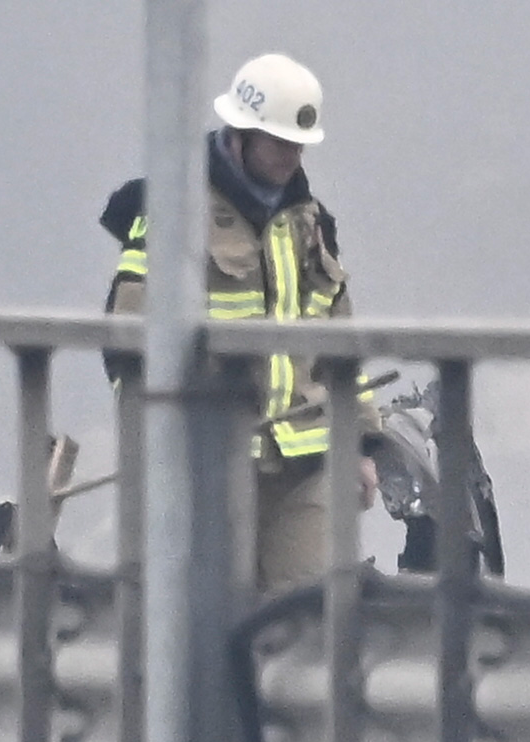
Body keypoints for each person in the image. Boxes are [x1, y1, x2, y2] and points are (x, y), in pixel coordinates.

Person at [101, 52, 378, 594]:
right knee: (213, 621)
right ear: (242, 133)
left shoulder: (310, 223)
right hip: (210, 459)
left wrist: (363, 445)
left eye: (299, 145)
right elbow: (126, 341)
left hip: (306, 463)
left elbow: (340, 346)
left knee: (308, 621)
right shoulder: (174, 212)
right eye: (279, 143)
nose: (291, 157)